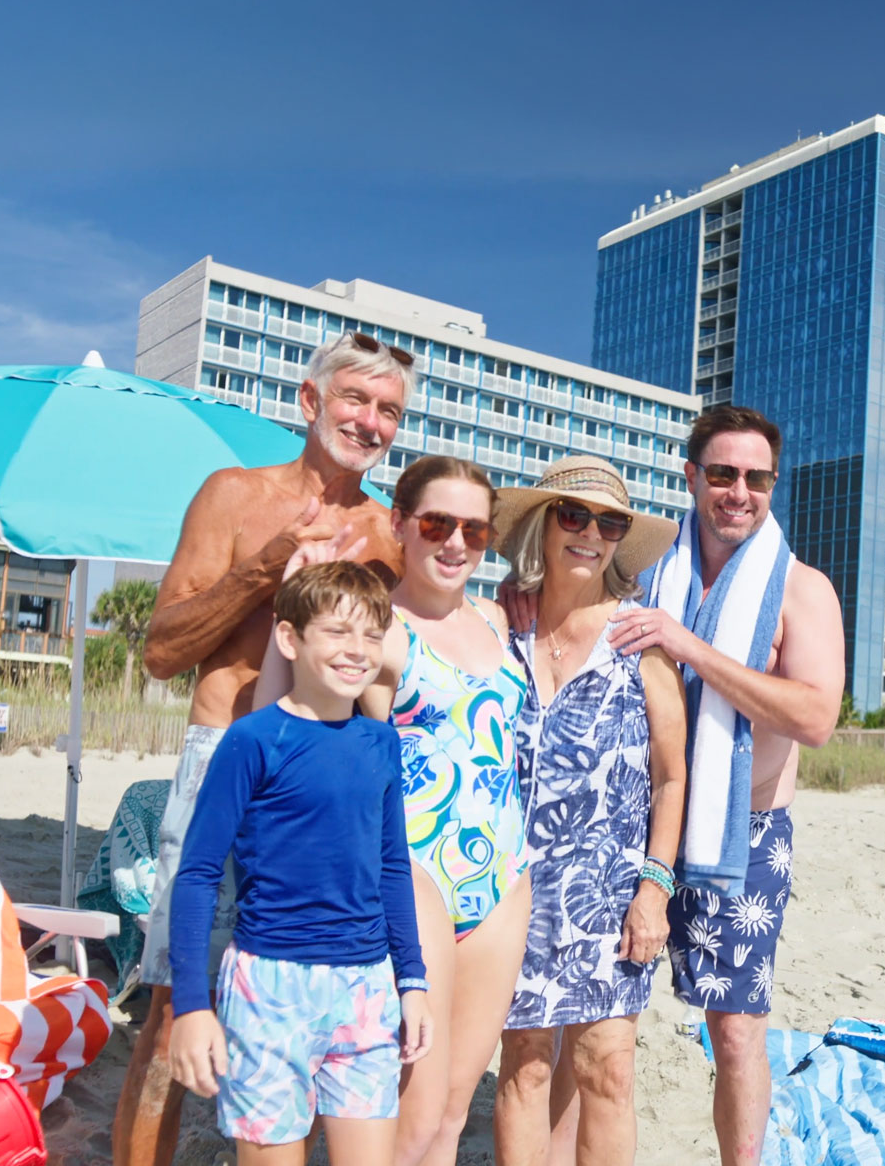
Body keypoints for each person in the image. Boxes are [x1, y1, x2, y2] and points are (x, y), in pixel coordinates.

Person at [114, 331, 415, 1166]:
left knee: (313, 1015)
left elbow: (405, 651)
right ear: (310, 401)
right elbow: (163, 651)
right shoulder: (233, 495)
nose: (372, 421)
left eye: (389, 410)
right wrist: (272, 567)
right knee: (177, 1011)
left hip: (323, 781)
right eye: (355, 399)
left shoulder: (387, 534)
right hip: (224, 754)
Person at [259, 455, 532, 1166]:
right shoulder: (379, 627)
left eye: (474, 529)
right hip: (410, 870)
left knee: (448, 1119)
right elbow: (277, 718)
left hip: (501, 878)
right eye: (438, 523)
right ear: (400, 525)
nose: (455, 543)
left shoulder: (501, 620)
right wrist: (288, 606)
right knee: (404, 1124)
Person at [607, 407, 844, 1166]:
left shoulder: (802, 591)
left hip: (745, 836)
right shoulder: (644, 573)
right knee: (601, 1020)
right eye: (722, 474)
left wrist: (689, 647)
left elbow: (814, 716)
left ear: (772, 486)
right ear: (691, 478)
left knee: (736, 1030)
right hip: (634, 820)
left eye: (756, 478)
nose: (738, 491)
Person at [167, 560, 433, 1164]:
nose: (357, 650)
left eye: (372, 634)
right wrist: (190, 1006)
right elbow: (198, 872)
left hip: (367, 987)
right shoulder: (253, 740)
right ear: (290, 638)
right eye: (337, 633)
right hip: (268, 988)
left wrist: (411, 981)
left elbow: (393, 866)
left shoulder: (380, 741)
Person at [490, 456, 687, 1166]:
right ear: (543, 527)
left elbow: (671, 777)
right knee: (526, 1064)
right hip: (510, 890)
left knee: (607, 1067)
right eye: (573, 515)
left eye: (609, 523)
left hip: (609, 895)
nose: (590, 533)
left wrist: (654, 888)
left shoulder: (640, 640)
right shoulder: (498, 631)